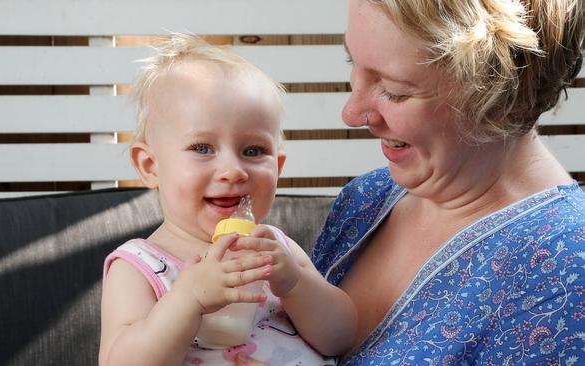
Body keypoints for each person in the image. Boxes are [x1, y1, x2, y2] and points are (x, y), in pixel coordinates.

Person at [236, 0, 585, 365]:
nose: (351, 114)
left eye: (395, 90)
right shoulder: (367, 199)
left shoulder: (566, 275)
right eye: (352, 62)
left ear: (503, 98)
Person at [98, 34, 357, 366]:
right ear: (151, 167)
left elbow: (342, 337)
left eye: (252, 151)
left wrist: (296, 284)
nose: (233, 171)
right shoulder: (137, 267)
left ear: (277, 167)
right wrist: (188, 300)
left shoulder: (276, 249)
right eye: (202, 149)